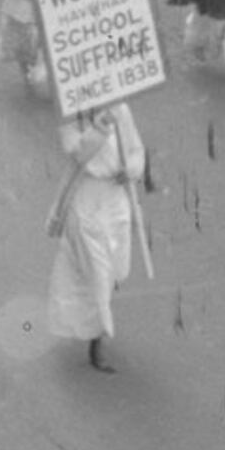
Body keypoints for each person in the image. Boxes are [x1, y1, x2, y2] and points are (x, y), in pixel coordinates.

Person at [44, 100, 148, 373]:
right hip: (86, 201)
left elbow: (136, 149)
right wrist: (101, 126)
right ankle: (99, 339)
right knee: (98, 270)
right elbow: (78, 153)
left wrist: (133, 170)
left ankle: (94, 325)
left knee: (114, 269)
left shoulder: (122, 109)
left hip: (115, 201)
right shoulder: (70, 118)